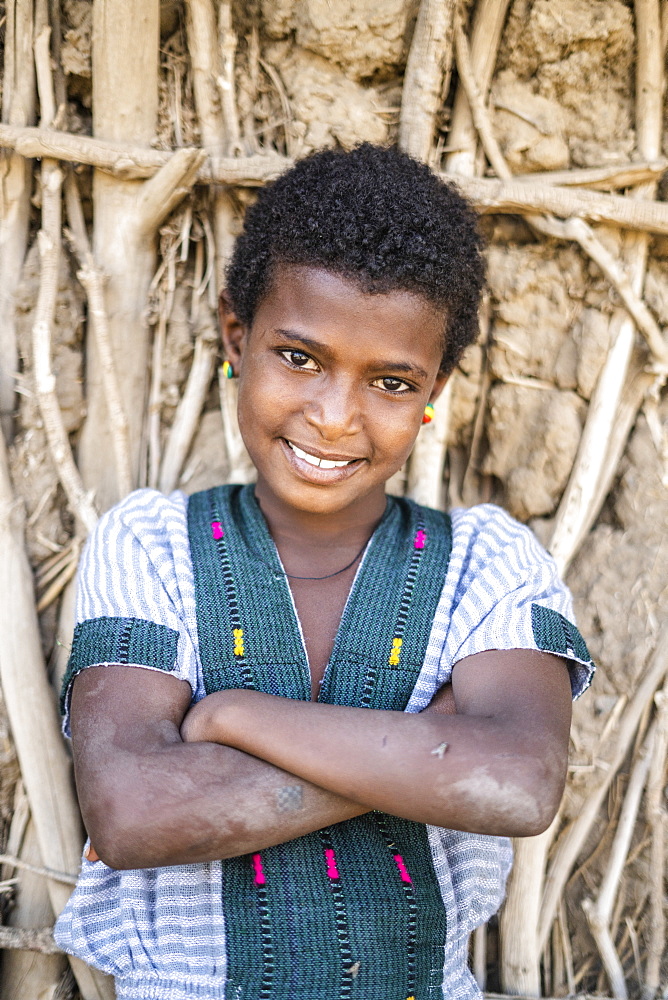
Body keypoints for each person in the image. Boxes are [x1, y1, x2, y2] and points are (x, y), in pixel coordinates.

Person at [55, 143, 594, 1000]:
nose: (335, 417)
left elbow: (520, 784)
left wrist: (234, 714)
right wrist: (428, 745)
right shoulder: (151, 544)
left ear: (434, 391)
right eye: (299, 358)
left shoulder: (489, 562)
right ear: (237, 336)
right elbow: (131, 814)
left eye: (389, 380)